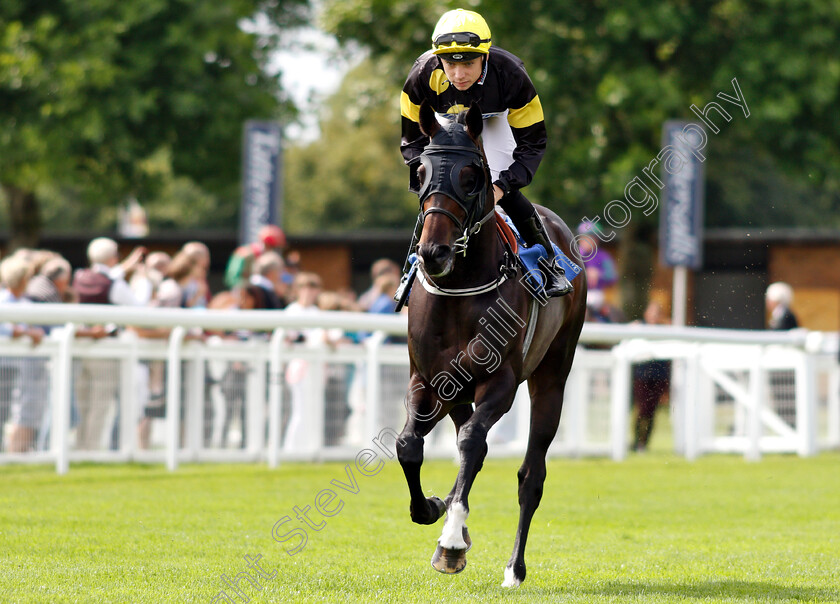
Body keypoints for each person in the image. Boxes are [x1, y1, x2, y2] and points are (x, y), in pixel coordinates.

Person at [399, 8, 572, 298]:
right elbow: (411, 140)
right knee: (439, 190)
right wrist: (424, 178)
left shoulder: (511, 75)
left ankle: (551, 266)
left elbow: (533, 144)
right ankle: (411, 268)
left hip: (496, 119)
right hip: (444, 123)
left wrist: (502, 186)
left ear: (485, 56)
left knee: (499, 185)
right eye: (449, 64)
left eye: (467, 63)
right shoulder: (421, 74)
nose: (458, 74)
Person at [0, 255, 45, 452]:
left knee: (11, 409)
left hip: (19, 364)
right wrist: (27, 332)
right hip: (5, 362)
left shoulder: (26, 303)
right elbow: (8, 329)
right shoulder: (3, 299)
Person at [631, 301, 671, 452]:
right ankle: (636, 441)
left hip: (659, 375)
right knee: (642, 409)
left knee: (652, 411)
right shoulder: (638, 326)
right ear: (646, 314)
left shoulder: (664, 329)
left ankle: (644, 442)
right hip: (642, 374)